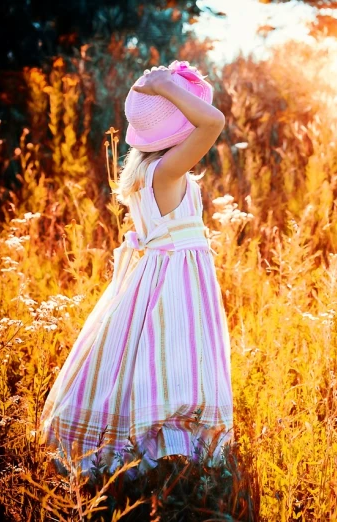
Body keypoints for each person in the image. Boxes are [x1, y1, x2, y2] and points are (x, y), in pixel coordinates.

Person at [38, 60, 233, 479]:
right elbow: (214, 123)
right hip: (176, 281)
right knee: (177, 358)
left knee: (142, 357)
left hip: (156, 274)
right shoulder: (167, 171)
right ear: (181, 126)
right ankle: (170, 446)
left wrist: (165, 88)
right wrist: (165, 84)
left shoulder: (146, 171)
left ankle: (158, 441)